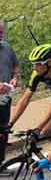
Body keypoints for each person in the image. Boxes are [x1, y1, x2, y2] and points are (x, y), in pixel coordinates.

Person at [0, 20, 20, 162]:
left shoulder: (7, 47)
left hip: (5, 98)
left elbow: (16, 65)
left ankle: (1, 163)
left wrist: (15, 77)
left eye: (1, 32)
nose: (1, 35)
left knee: (4, 130)